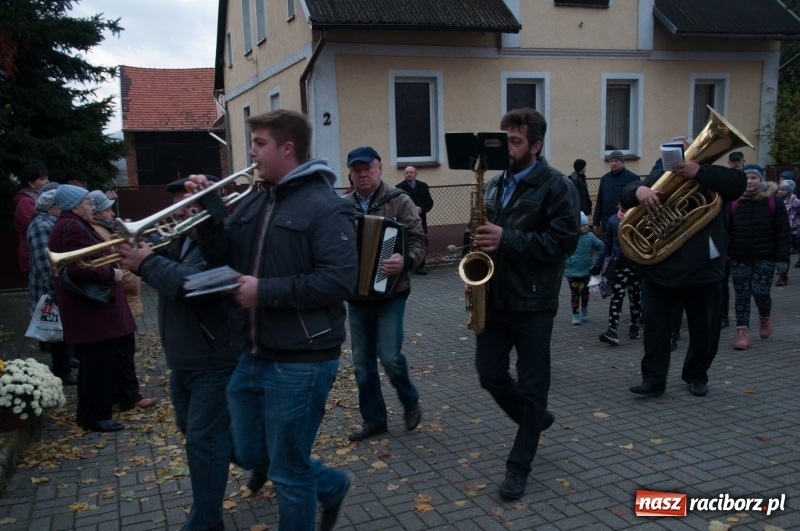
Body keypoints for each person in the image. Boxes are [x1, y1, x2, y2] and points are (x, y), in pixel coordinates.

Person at [186, 109, 357, 531]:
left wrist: (264, 291)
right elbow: (224, 257)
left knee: (288, 470)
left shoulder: (324, 206)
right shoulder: (256, 199)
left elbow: (339, 280)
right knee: (248, 451)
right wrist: (208, 213)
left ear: (287, 148)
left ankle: (316, 490)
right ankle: (332, 485)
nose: (251, 152)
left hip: (302, 359)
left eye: (259, 143)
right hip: (253, 351)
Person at [118, 178, 243, 531]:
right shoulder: (182, 239)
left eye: (188, 202)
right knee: (198, 432)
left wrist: (147, 264)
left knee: (203, 441)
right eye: (176, 204)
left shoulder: (222, 240)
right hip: (185, 358)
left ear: (208, 205)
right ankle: (262, 458)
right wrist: (145, 250)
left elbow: (199, 286)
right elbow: (168, 269)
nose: (181, 210)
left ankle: (206, 521)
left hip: (216, 358)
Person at [471, 108, 579, 500]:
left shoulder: (556, 185)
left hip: (533, 301)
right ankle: (535, 422)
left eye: (514, 141)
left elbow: (564, 244)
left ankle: (518, 467)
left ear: (535, 145)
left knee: (533, 387)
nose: (506, 147)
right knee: (489, 374)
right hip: (494, 298)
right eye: (504, 139)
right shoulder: (494, 184)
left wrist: (508, 239)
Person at [620, 158, 746, 398]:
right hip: (661, 269)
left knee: (705, 330)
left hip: (703, 272)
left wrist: (699, 171)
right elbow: (625, 193)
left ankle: (696, 375)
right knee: (655, 330)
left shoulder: (713, 175)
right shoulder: (660, 176)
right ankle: (653, 380)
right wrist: (639, 190)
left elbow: (738, 184)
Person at [48, 185, 156, 432]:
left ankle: (93, 412)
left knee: (96, 363)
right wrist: (111, 273)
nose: (92, 206)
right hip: (92, 310)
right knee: (97, 365)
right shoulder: (72, 227)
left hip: (91, 309)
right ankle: (95, 416)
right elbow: (79, 266)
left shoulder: (70, 224)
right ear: (74, 206)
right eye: (87, 202)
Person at [343, 146, 427, 442]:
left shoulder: (399, 200)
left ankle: (409, 400)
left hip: (392, 294)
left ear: (379, 169)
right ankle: (375, 420)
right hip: (357, 297)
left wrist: (406, 260)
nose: (363, 174)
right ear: (350, 175)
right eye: (357, 170)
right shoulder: (342, 206)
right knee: (362, 365)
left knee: (389, 356)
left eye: (368, 168)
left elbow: (419, 241)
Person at [727, 167, 790, 350]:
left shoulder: (774, 202)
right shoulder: (734, 202)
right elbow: (726, 229)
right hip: (739, 256)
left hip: (766, 256)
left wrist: (782, 258)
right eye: (746, 178)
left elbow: (783, 231)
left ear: (761, 180)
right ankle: (742, 333)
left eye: (754, 177)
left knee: (761, 291)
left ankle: (764, 316)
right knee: (742, 296)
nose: (750, 181)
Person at [26, 185, 76, 386]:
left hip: (54, 287)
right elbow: (44, 261)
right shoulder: (40, 226)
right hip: (48, 290)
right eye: (59, 205)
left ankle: (65, 365)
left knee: (60, 331)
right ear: (50, 207)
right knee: (54, 332)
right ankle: (62, 370)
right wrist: (55, 288)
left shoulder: (50, 222)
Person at [87, 190, 143, 319]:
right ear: (97, 214)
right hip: (122, 295)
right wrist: (134, 280)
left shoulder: (105, 229)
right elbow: (115, 266)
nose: (113, 214)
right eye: (107, 211)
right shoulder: (100, 232)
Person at [591, 206, 642, 345]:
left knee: (635, 297)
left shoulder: (640, 218)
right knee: (616, 297)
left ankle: (635, 326)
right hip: (619, 266)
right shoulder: (614, 221)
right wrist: (597, 264)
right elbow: (607, 245)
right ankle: (612, 329)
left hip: (636, 266)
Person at [564, 212, 603, 325]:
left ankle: (584, 309)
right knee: (575, 294)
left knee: (585, 293)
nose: (586, 226)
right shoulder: (570, 237)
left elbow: (600, 245)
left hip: (586, 270)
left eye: (586, 224)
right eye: (583, 225)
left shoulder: (590, 236)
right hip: (572, 271)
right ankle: (575, 314)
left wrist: (607, 249)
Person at [395, 165, 434, 275]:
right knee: (406, 242)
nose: (409, 174)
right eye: (407, 172)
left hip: (420, 220)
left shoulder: (423, 186)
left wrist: (421, 208)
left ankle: (421, 266)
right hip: (405, 220)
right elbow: (397, 204)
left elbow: (429, 202)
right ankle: (407, 265)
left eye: (411, 172)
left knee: (422, 241)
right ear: (404, 175)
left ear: (415, 174)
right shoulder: (399, 188)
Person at [14, 162, 50, 274]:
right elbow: (36, 226)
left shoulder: (38, 198)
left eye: (47, 178)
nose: (47, 182)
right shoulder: (25, 202)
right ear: (31, 183)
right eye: (43, 179)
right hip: (34, 253)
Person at [592, 150, 639, 236]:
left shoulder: (632, 178)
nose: (613, 163)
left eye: (616, 161)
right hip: (606, 222)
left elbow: (636, 203)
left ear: (622, 162)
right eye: (611, 161)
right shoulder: (605, 179)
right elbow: (599, 202)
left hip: (623, 222)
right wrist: (596, 222)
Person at [776, 179, 800, 285]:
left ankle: (783, 275)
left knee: (785, 252)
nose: (780, 191)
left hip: (791, 230)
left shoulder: (796, 201)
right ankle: (781, 270)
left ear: (789, 191)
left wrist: (798, 223)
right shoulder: (777, 200)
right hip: (779, 228)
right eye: (779, 189)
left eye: (783, 190)